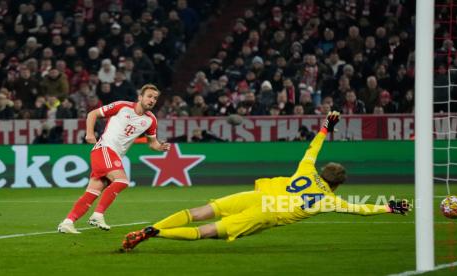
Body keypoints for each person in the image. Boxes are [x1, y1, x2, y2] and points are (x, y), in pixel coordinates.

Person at [121, 111, 409, 250]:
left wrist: (326, 127)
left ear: (323, 173)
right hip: (265, 213)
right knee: (205, 231)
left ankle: (153, 226)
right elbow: (359, 209)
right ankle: (153, 233)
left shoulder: (307, 170)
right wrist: (389, 207)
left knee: (198, 212)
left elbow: (313, 148)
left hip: (256, 195)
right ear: (336, 184)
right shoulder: (329, 200)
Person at [58, 84, 171, 234]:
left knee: (92, 192)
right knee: (122, 181)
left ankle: (67, 222)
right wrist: (89, 134)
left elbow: (152, 143)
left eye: (155, 98)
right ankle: (98, 215)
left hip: (113, 155)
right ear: (140, 97)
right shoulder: (122, 106)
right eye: (149, 96)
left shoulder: (151, 120)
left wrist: (160, 147)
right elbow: (93, 114)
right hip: (104, 148)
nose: (152, 100)